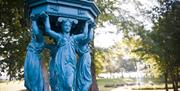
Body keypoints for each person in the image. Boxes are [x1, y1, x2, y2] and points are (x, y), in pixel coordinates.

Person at [41, 12, 90, 91]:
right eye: (65, 25)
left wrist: (87, 24)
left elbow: (84, 34)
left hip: (70, 63)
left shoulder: (73, 38)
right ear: (62, 26)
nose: (67, 27)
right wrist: (46, 18)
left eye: (69, 26)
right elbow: (48, 30)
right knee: (61, 82)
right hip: (61, 62)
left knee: (69, 84)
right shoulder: (59, 37)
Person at [24, 14, 44, 91]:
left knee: (33, 79)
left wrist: (34, 21)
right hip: (30, 58)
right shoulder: (34, 40)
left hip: (33, 59)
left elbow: (36, 31)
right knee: (30, 77)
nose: (32, 31)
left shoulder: (40, 39)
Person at [76, 24, 94, 91]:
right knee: (88, 81)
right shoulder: (82, 43)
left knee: (82, 81)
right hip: (85, 60)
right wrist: (91, 28)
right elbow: (89, 37)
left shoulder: (78, 44)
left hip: (82, 61)